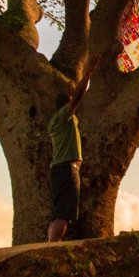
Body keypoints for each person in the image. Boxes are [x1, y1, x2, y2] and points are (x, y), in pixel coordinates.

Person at [46, 55, 99, 242]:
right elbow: (78, 96)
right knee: (64, 214)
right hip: (67, 169)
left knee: (58, 212)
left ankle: (49, 247)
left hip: (58, 169)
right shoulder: (63, 116)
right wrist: (89, 70)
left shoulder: (54, 121)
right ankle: (51, 249)